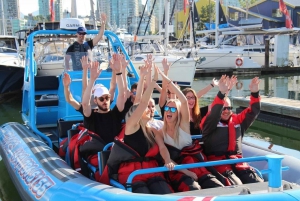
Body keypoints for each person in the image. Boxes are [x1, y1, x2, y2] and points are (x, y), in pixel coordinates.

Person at [100, 65, 174, 194]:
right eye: (143, 109)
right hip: (133, 174)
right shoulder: (131, 127)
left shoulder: (153, 131)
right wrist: (153, 81)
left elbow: (162, 148)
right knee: (142, 192)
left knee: (164, 191)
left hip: (152, 171)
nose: (148, 109)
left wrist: (167, 161)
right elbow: (143, 101)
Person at [152, 68, 224, 192]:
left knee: (217, 186)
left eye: (174, 109)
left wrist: (165, 77)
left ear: (178, 113)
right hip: (178, 169)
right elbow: (165, 154)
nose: (169, 111)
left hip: (195, 163)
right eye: (167, 109)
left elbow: (184, 101)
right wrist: (187, 172)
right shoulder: (159, 132)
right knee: (193, 188)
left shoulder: (183, 126)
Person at [200, 76, 264, 185]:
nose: (226, 111)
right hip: (219, 163)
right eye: (223, 108)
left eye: (228, 108)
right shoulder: (209, 123)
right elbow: (214, 113)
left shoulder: (238, 121)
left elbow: (253, 111)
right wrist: (222, 93)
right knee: (236, 184)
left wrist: (254, 93)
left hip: (237, 161)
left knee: (256, 182)